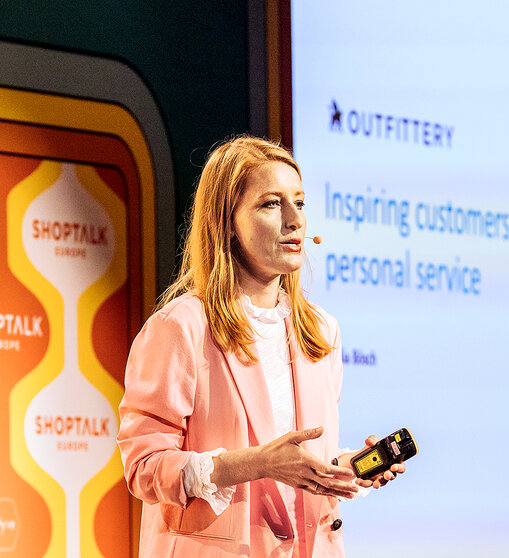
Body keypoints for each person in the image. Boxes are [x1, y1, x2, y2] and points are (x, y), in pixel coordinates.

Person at [117, 135, 404, 558]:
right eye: (271, 204)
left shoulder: (321, 332)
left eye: (300, 203)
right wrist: (257, 463)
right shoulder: (182, 327)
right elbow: (143, 468)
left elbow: (295, 473)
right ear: (227, 221)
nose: (295, 221)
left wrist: (343, 470)